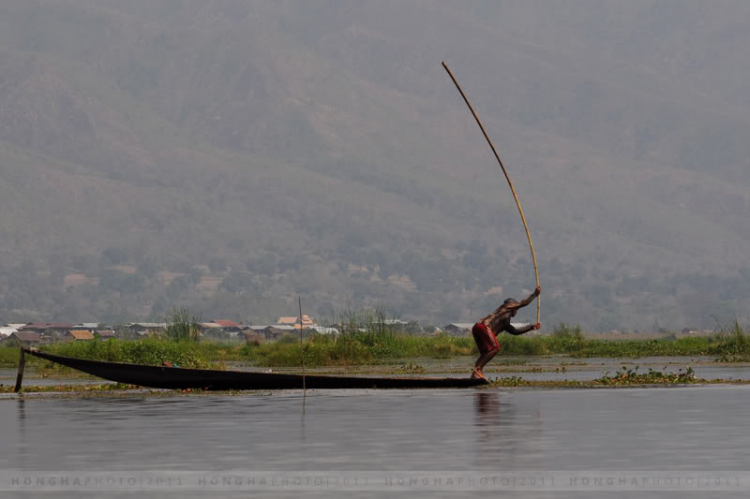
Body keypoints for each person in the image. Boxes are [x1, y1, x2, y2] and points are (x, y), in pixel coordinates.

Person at [471, 286, 541, 380]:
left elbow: (515, 331)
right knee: (495, 348)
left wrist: (532, 327)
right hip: (483, 327)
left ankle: (475, 375)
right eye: (516, 308)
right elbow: (523, 303)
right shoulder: (506, 307)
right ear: (512, 306)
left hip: (477, 327)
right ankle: (478, 369)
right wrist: (534, 294)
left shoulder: (504, 321)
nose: (516, 310)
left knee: (485, 353)